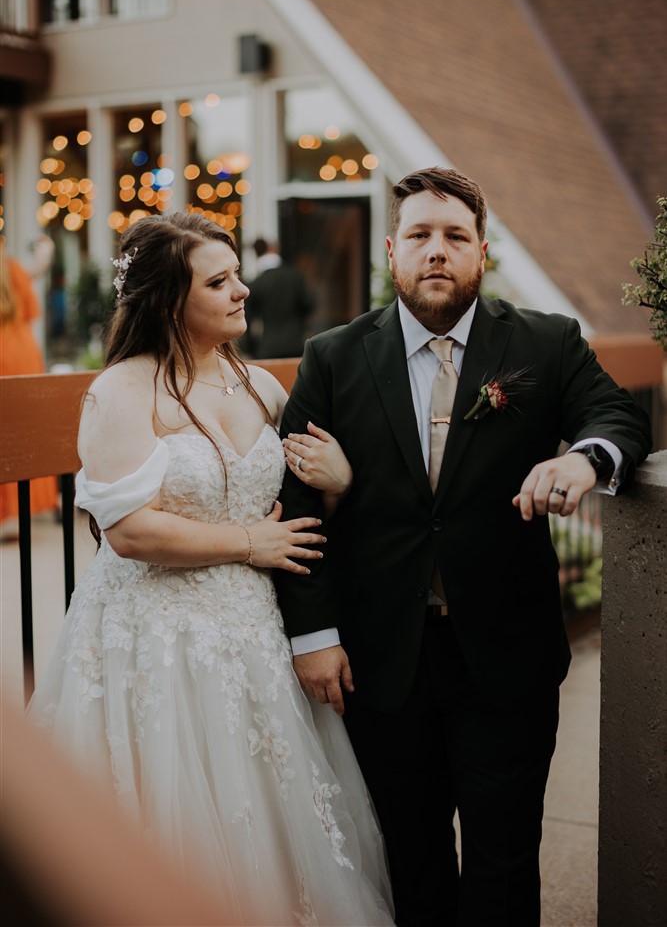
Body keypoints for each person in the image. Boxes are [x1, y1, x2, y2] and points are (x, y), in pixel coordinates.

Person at [277, 167, 653, 927]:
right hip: (381, 661)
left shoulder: (546, 342)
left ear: (483, 251)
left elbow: (619, 416)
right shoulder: (332, 357)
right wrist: (313, 635)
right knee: (409, 858)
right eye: (419, 235)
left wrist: (582, 458)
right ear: (392, 251)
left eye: (455, 236)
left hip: (505, 657)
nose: (437, 250)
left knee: (504, 860)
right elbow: (293, 507)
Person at [27, 212, 394, 926]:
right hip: (155, 641)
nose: (243, 291)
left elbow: (301, 495)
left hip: (254, 634)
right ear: (170, 300)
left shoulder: (262, 387)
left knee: (274, 813)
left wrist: (341, 480)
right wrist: (250, 544)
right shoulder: (121, 392)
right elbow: (130, 532)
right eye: (219, 281)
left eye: (237, 275)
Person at [0, 236, 59, 538]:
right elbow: (30, 313)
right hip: (19, 353)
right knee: (20, 431)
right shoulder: (12, 270)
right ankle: (14, 513)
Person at [245, 237, 315, 358]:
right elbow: (309, 303)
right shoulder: (294, 276)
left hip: (267, 347)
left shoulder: (256, 283)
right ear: (274, 249)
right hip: (295, 344)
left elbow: (248, 317)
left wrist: (249, 348)